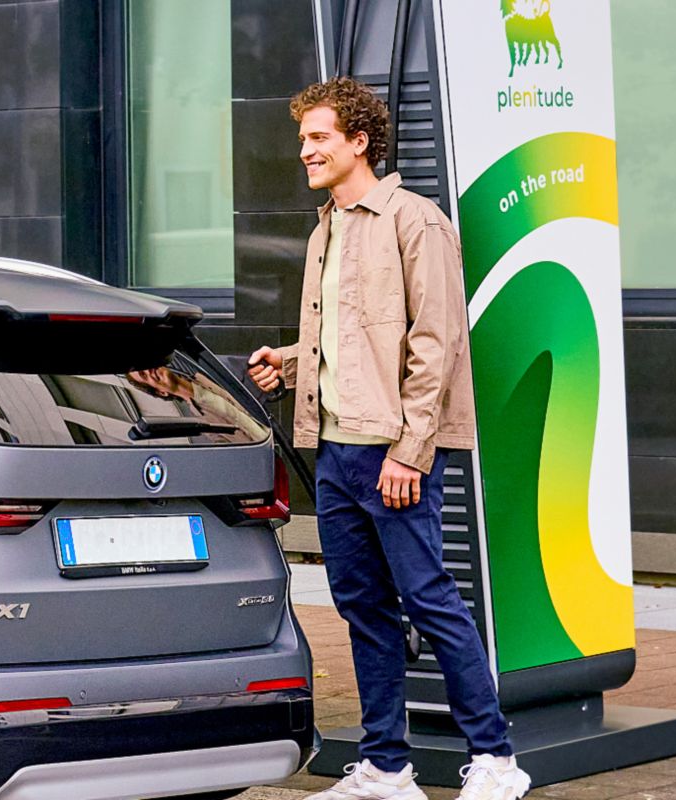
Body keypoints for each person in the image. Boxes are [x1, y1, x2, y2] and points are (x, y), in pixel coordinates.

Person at [244, 77, 527, 800]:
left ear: (359, 141)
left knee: (430, 598)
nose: (304, 150)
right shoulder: (327, 228)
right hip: (334, 449)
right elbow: (350, 340)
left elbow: (437, 344)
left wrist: (410, 450)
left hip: (390, 453)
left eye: (318, 137)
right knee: (363, 608)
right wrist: (292, 362)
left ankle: (496, 760)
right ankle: (385, 768)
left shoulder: (415, 221)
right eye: (303, 137)